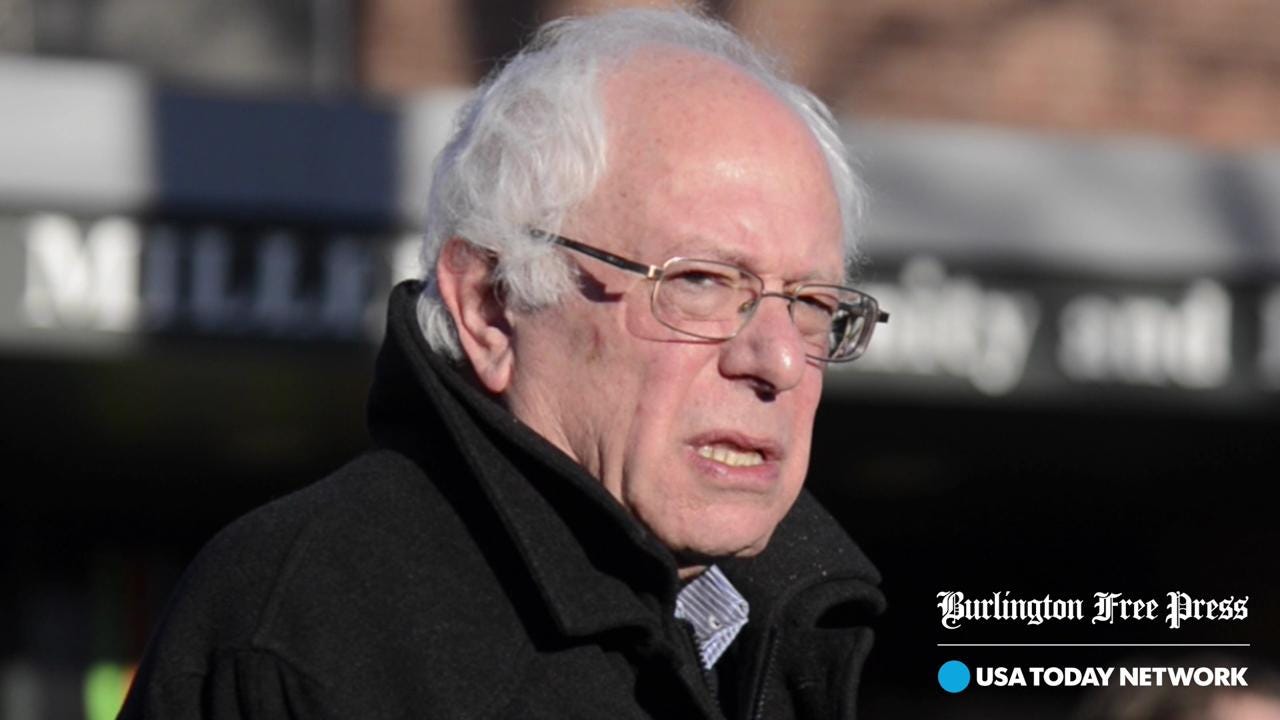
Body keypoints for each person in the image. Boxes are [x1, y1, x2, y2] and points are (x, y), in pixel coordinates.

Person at [119, 7, 888, 719]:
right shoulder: (309, 627)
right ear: (491, 306)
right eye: (701, 282)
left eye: (814, 303)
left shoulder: (790, 632)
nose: (781, 358)